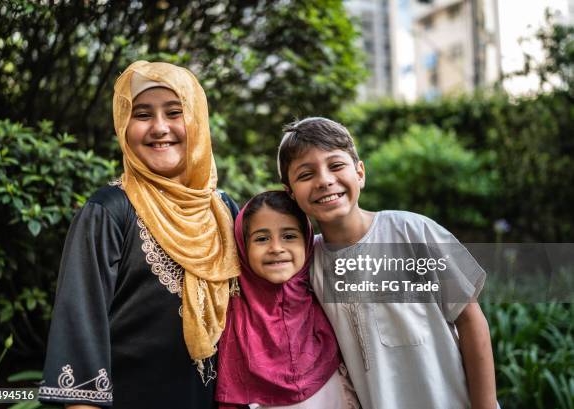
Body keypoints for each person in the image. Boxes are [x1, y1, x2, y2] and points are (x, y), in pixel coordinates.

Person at [38, 61, 240, 408]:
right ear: (124, 126)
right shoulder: (109, 211)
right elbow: (80, 326)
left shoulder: (223, 211)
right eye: (142, 114)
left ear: (197, 120)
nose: (160, 128)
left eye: (175, 112)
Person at [276, 117, 499, 409]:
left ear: (360, 173)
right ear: (291, 194)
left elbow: (470, 320)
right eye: (306, 175)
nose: (324, 180)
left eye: (336, 165)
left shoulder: (413, 232)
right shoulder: (307, 264)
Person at [215, 191, 359, 409]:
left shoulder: (331, 299)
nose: (276, 248)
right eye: (262, 239)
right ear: (243, 247)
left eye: (289, 236)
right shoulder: (226, 317)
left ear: (307, 241)